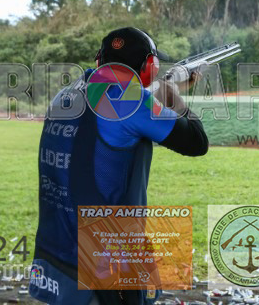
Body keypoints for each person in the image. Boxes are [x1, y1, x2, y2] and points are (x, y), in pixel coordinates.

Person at [30, 27, 208, 305]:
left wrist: (156, 93)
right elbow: (196, 141)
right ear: (149, 67)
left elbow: (114, 108)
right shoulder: (133, 102)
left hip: (57, 249)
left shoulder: (65, 95)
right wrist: (171, 94)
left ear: (99, 60)